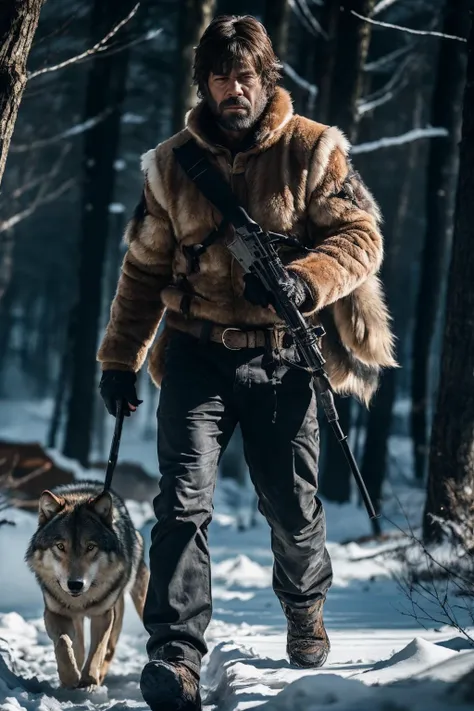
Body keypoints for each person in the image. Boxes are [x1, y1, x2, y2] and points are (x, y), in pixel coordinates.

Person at [97, 14, 396, 711]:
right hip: (196, 355)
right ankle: (175, 653)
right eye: (221, 76)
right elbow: (142, 269)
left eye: (247, 76)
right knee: (181, 502)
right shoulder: (171, 164)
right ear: (204, 81)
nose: (234, 88)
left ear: (268, 79)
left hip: (284, 355)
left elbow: (363, 237)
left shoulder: (315, 151)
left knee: (292, 510)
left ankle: (303, 603)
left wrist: (305, 280)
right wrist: (120, 358)